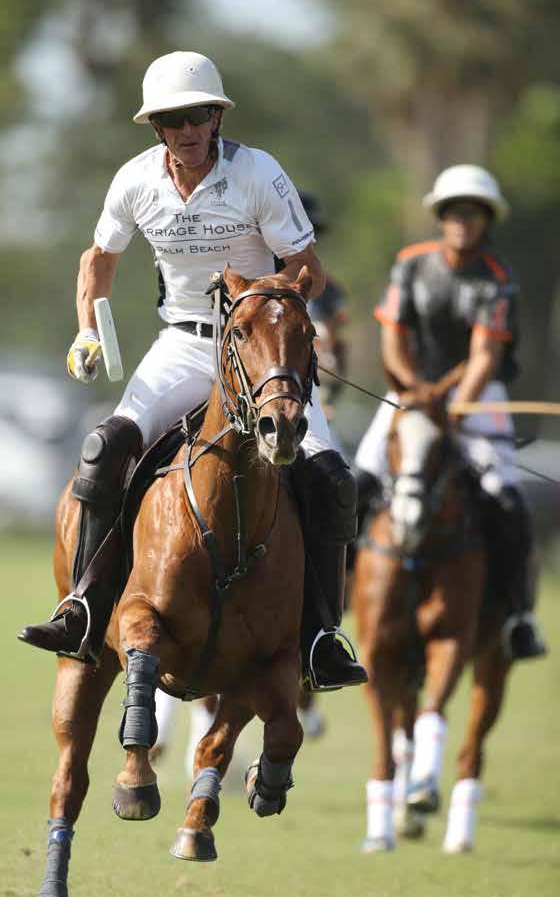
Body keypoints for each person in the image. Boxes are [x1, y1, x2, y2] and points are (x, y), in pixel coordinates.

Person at [19, 50, 366, 689]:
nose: (187, 130)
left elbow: (308, 269)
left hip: (259, 349)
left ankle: (321, 637)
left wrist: (258, 300)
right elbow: (98, 259)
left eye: (198, 116)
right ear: (156, 126)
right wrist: (87, 330)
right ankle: (84, 609)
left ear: (216, 118)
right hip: (183, 344)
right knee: (103, 452)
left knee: (333, 479)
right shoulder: (135, 180)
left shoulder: (257, 173)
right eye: (173, 120)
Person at [354, 164, 546, 661]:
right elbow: (393, 338)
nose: (463, 221)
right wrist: (415, 391)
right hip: (414, 392)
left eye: (473, 214)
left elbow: (484, 356)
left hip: (476, 397)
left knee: (506, 496)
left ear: (486, 221)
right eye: (455, 212)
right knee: (360, 480)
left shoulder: (496, 278)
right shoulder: (411, 264)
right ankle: (333, 600)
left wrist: (455, 409)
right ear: (441, 217)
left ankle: (519, 616)